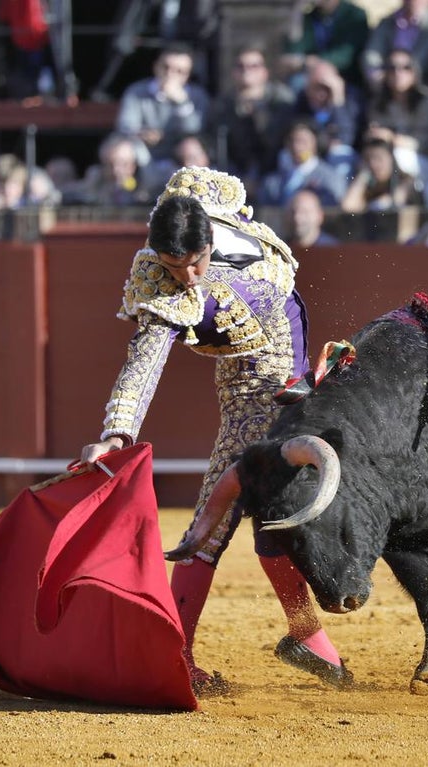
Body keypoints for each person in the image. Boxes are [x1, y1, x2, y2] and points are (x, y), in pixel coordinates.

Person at [78, 166, 352, 696]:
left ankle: (301, 635)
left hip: (289, 377)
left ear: (209, 239)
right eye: (172, 266)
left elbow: (204, 181)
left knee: (259, 514)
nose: (187, 278)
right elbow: (145, 359)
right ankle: (188, 651)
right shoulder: (162, 281)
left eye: (195, 263)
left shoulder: (208, 210)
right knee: (223, 516)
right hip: (254, 393)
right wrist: (117, 433)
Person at [211, 44, 297, 195]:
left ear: (265, 72)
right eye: (241, 66)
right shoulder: (224, 105)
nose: (246, 71)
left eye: (254, 66)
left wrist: (258, 113)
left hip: (274, 172)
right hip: (236, 172)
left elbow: (277, 142)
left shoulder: (281, 100)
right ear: (233, 72)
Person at [115, 43, 210, 167]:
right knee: (121, 151)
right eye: (166, 67)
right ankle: (123, 187)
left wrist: (182, 103)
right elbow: (125, 124)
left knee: (192, 148)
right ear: (155, 66)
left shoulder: (197, 95)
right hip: (142, 150)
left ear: (188, 75)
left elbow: (195, 130)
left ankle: (191, 185)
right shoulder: (137, 91)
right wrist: (142, 133)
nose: (170, 74)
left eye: (179, 71)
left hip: (179, 152)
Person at [362, 47, 428, 183]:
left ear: (415, 72)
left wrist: (390, 137)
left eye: (406, 67)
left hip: (426, 163)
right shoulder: (378, 104)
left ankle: (402, 200)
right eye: (391, 67)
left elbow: (423, 144)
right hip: (385, 162)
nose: (398, 73)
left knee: (400, 155)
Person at [279, 0, 371, 91]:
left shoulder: (354, 15)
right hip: (310, 75)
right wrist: (297, 12)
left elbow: (347, 55)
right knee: (294, 84)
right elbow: (292, 55)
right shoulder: (308, 16)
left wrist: (311, 62)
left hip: (346, 78)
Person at [360, 0, 428, 94]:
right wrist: (375, 73)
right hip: (385, 83)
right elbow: (372, 52)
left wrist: (403, 76)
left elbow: (423, 59)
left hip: (422, 85)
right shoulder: (387, 22)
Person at [258, 121, 348, 207]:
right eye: (292, 141)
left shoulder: (331, 178)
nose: (296, 147)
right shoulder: (272, 182)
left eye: (303, 141)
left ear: (315, 143)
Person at [340, 137, 422, 213]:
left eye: (378, 158)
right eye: (368, 159)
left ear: (391, 159)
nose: (373, 164)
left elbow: (393, 203)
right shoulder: (368, 186)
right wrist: (362, 176)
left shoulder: (406, 181)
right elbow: (348, 207)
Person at [69, 134, 152, 207]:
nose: (116, 171)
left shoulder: (147, 188)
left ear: (133, 166)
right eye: (109, 165)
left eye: (123, 164)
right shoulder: (93, 185)